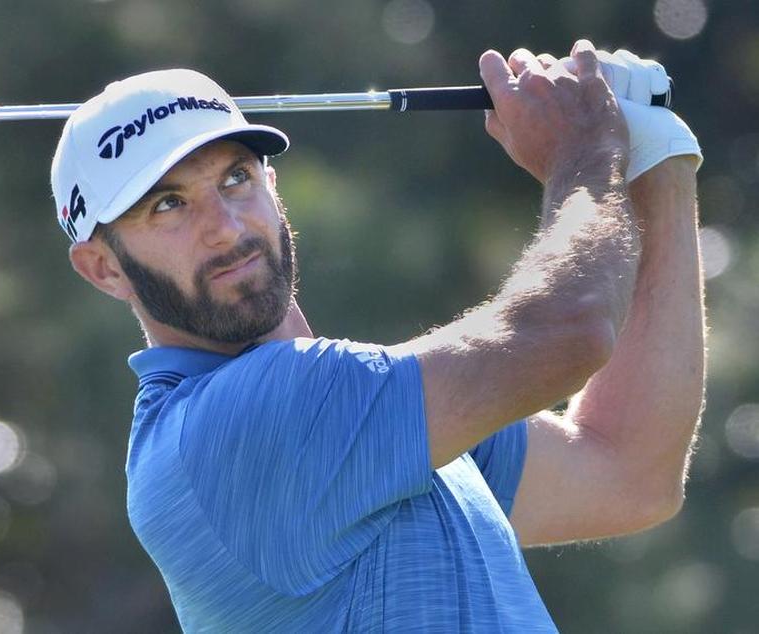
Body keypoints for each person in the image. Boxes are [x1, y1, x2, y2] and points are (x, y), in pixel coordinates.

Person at [51, 39, 704, 631]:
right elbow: (566, 331)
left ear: (272, 186)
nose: (225, 225)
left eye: (235, 178)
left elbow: (628, 472)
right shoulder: (234, 425)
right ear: (103, 267)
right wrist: (587, 152)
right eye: (168, 204)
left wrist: (658, 163)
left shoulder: (365, 414)